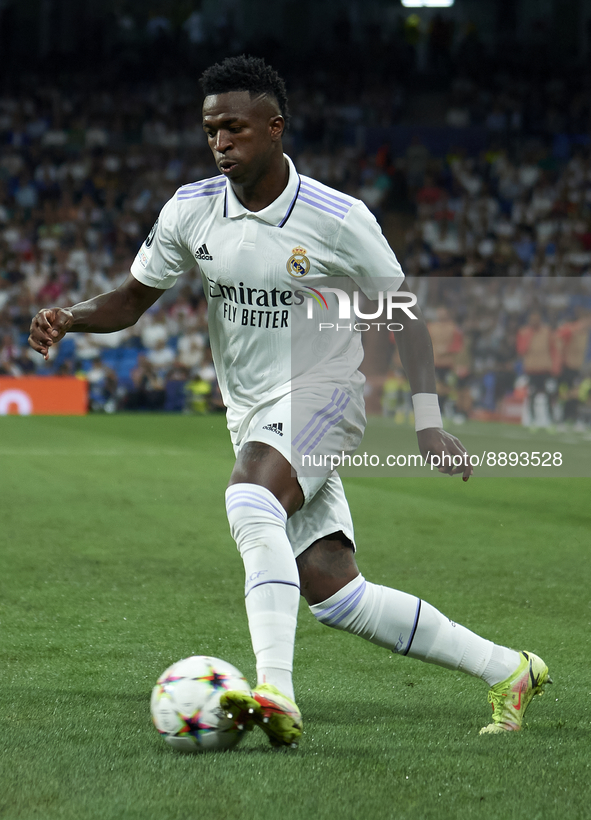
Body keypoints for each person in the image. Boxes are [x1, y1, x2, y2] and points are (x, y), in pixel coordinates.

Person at [29, 55, 550, 749]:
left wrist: (428, 422)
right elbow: (129, 298)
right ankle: (508, 668)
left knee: (249, 499)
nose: (220, 142)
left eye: (235, 129)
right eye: (211, 129)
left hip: (326, 393)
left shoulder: (338, 218)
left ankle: (274, 690)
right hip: (251, 411)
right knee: (336, 592)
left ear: (275, 129)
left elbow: (406, 317)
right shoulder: (190, 209)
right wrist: (71, 314)